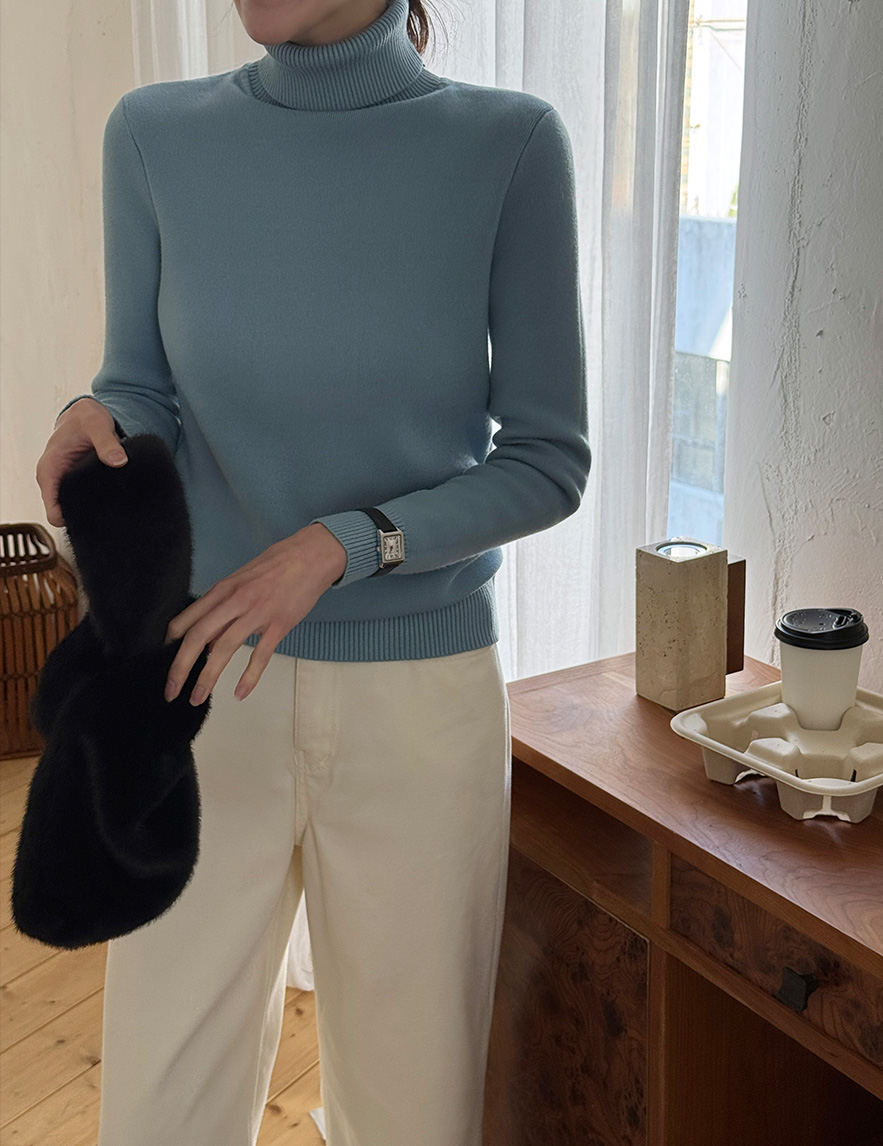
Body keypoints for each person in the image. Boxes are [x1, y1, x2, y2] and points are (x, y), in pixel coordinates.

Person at [35, 0, 591, 1142]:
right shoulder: (153, 136)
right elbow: (141, 385)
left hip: (419, 714)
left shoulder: (509, 146)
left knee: (412, 1115)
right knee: (157, 1112)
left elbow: (549, 460)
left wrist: (345, 542)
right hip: (200, 684)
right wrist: (92, 421)